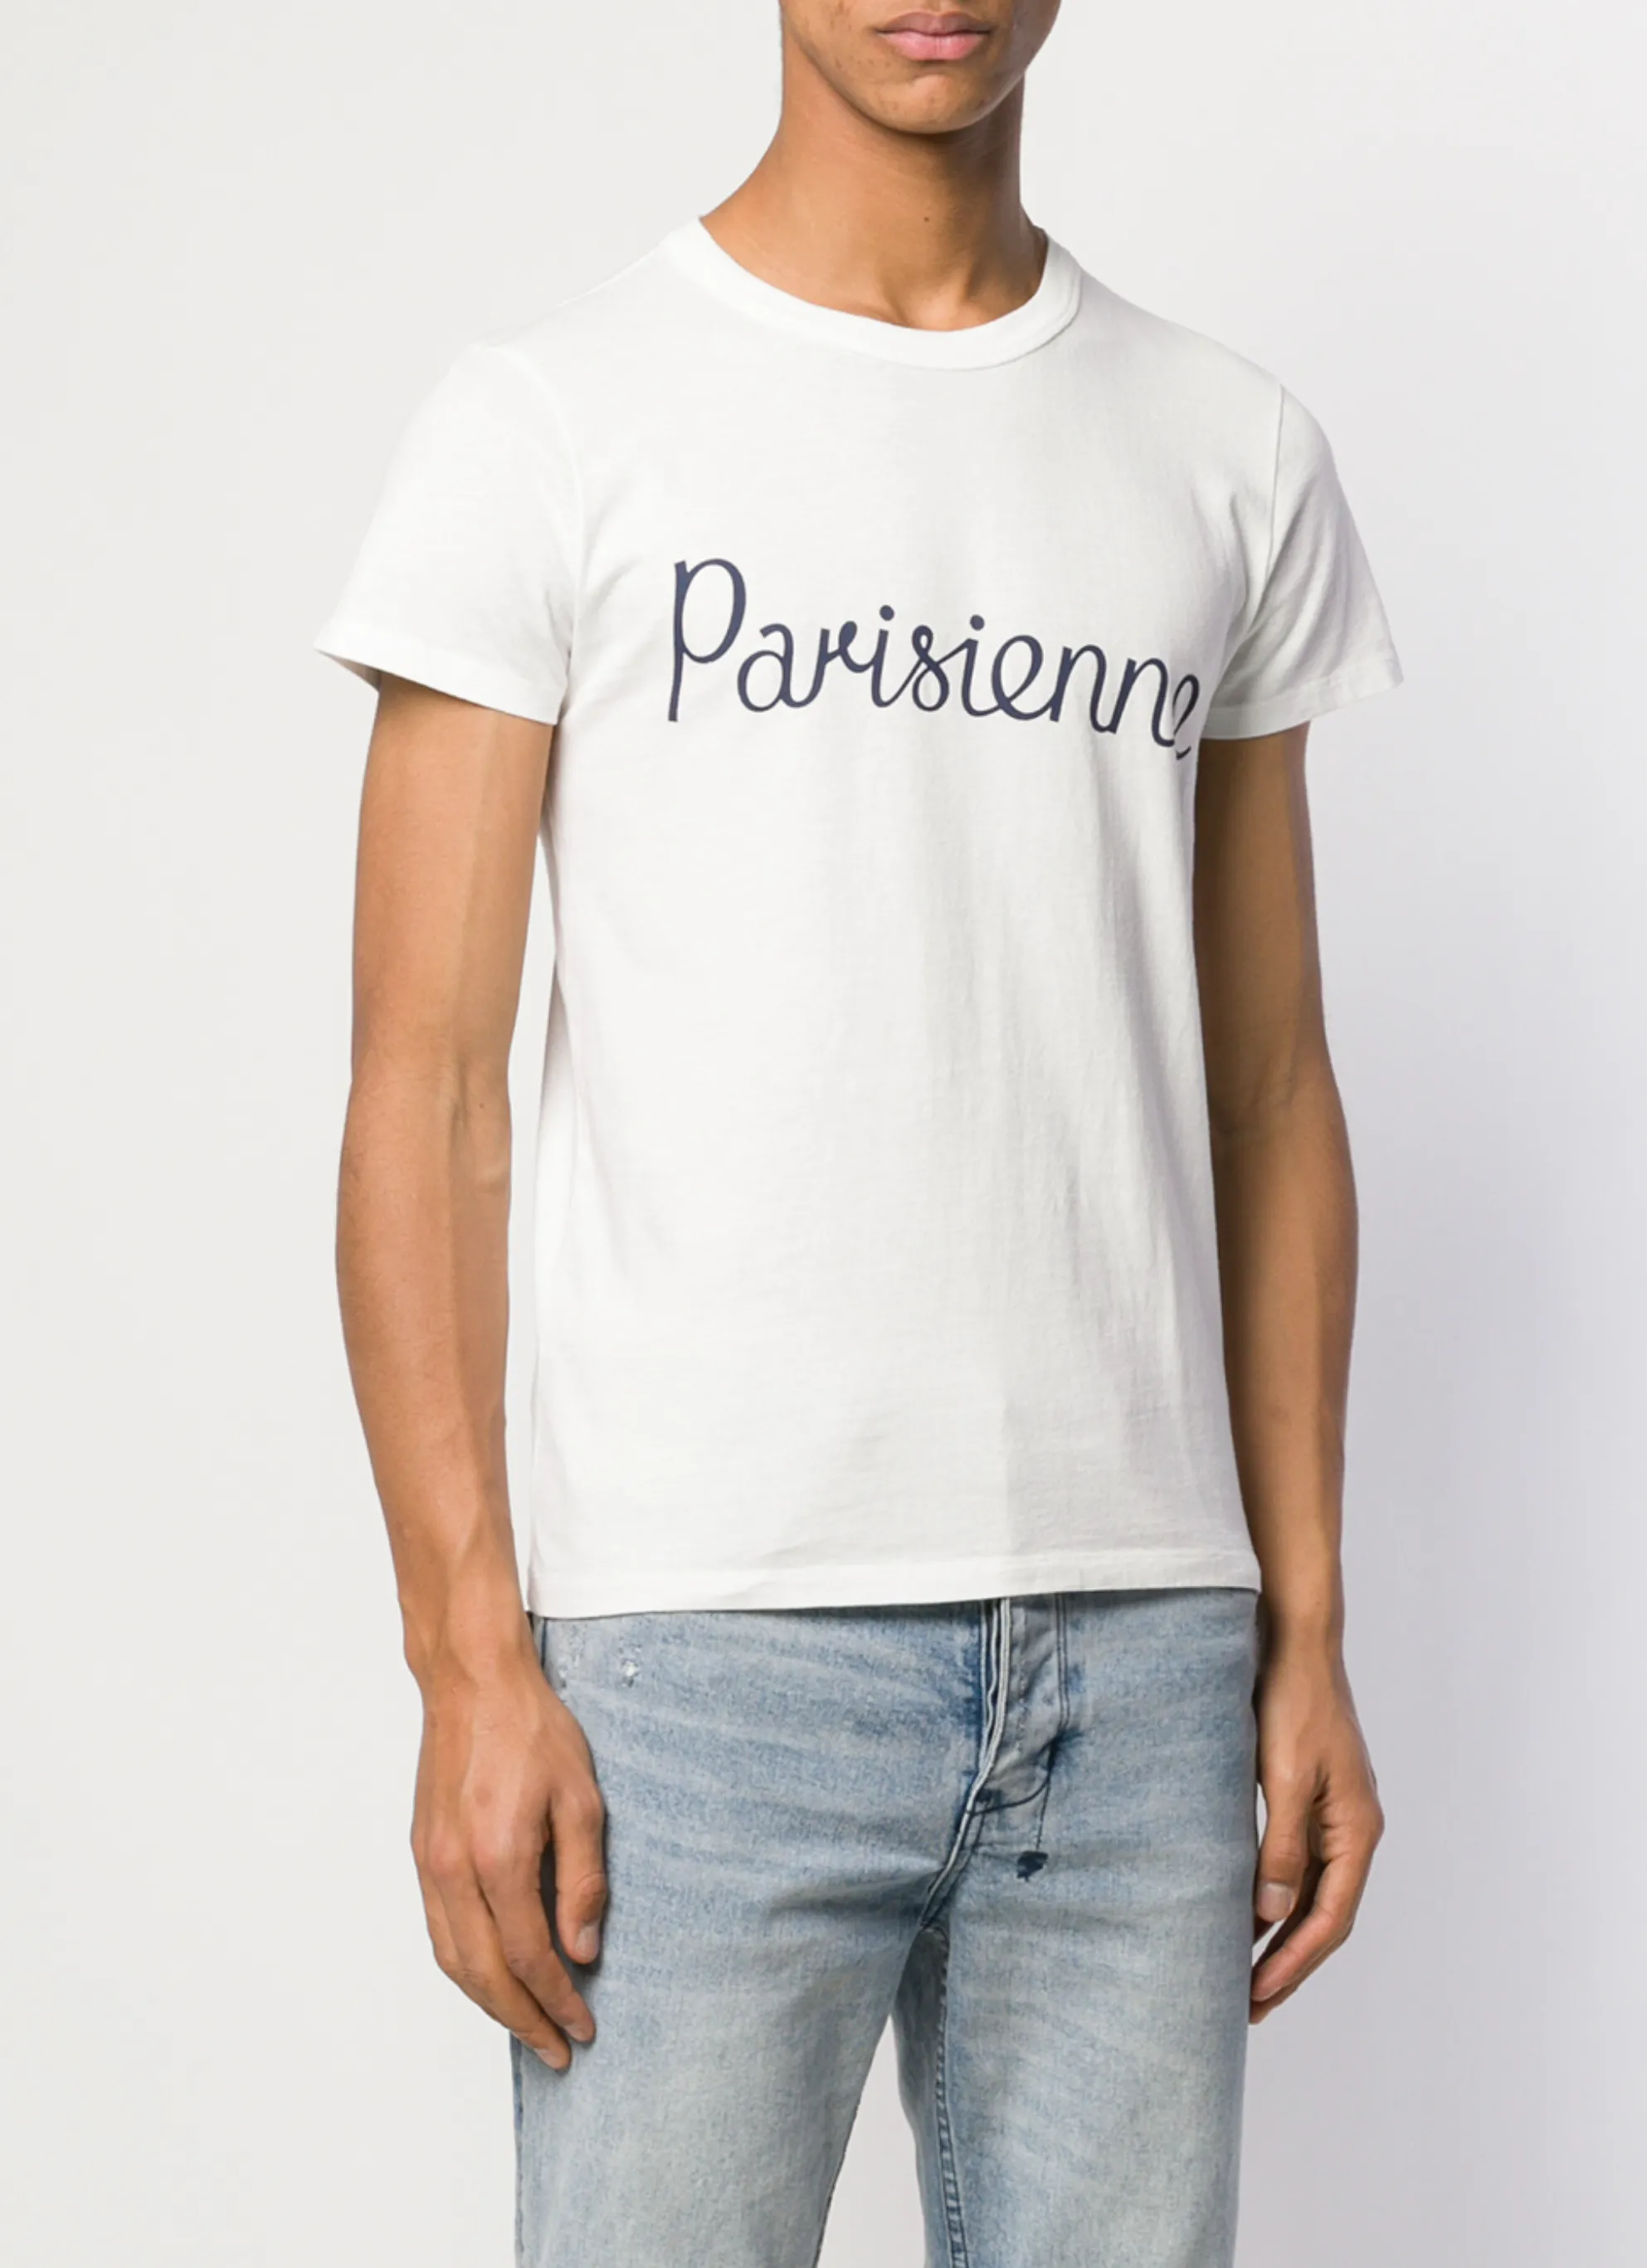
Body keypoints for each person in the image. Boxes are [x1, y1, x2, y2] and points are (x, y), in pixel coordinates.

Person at [317, 4, 1401, 2261]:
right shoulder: (556, 422)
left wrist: (1303, 1624)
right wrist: (466, 1659)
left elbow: (1275, 1086)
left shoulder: (1227, 447)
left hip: (1143, 1658)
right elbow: (425, 1088)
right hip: (701, 1670)